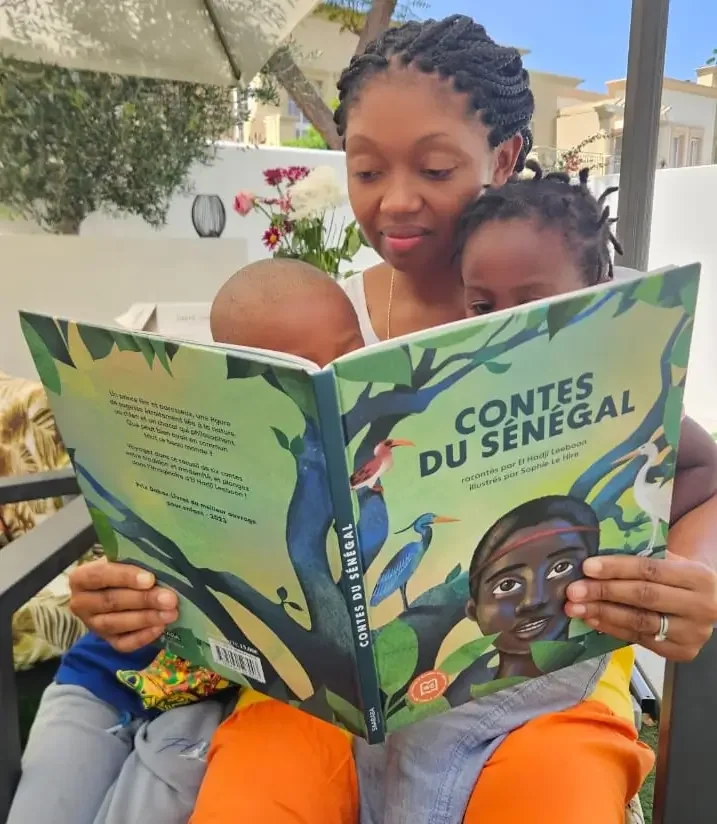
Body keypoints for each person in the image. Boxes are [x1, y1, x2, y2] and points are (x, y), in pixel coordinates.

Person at [66, 15, 717, 824]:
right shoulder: (315, 326)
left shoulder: (572, 307)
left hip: (537, 688)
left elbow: (699, 471)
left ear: (504, 158)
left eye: (436, 167)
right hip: (320, 701)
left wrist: (688, 579)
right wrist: (137, 587)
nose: (396, 200)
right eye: (366, 169)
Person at [466, 495, 601, 681]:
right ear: (474, 611)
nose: (533, 600)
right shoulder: (456, 695)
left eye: (560, 568)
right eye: (507, 585)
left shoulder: (604, 659)